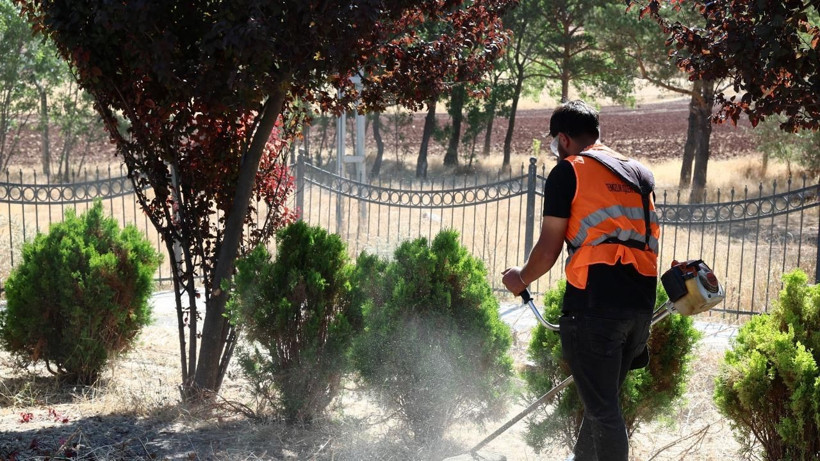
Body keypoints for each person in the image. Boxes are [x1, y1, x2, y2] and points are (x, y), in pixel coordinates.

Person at [502, 100, 659, 461]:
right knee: (600, 404)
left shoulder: (569, 171)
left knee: (603, 411)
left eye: (556, 142)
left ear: (563, 139)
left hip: (594, 304)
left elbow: (549, 248)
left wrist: (520, 278)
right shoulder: (639, 174)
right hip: (640, 305)